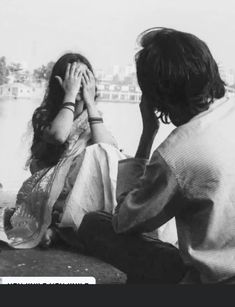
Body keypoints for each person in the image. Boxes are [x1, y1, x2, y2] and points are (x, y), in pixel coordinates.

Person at [74, 27, 235, 284]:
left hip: (213, 282)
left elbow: (125, 220)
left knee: (94, 224)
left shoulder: (178, 153)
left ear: (156, 98)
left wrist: (148, 133)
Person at [0, 53, 125, 248]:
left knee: (103, 154)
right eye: (73, 76)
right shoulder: (44, 115)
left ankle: (66, 230)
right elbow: (59, 136)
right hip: (47, 189)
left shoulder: (92, 117)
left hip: (76, 189)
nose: (79, 83)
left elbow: (109, 149)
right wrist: (70, 96)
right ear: (60, 82)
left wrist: (90, 103)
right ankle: (60, 229)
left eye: (84, 77)